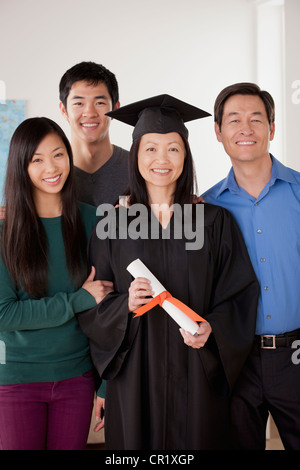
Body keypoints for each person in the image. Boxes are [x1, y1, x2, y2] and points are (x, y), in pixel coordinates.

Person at [77, 94, 259, 450]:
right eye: (150, 149)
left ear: (186, 156)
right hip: (134, 378)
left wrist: (213, 329)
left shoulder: (213, 221)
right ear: (135, 156)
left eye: (173, 149)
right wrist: (123, 305)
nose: (162, 159)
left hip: (196, 375)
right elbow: (94, 303)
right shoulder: (111, 224)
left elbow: (238, 294)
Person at [202, 82, 300, 450]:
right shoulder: (207, 211)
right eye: (234, 120)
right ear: (218, 131)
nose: (246, 129)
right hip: (237, 360)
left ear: (272, 129)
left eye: (256, 119)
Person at [0, 117, 107, 450]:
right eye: (37, 159)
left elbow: (110, 308)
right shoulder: (5, 233)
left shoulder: (93, 221)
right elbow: (5, 315)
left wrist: (105, 385)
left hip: (76, 377)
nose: (52, 167)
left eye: (58, 154)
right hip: (16, 379)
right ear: (22, 166)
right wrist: (77, 300)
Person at [59, 61, 129, 207]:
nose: (90, 113)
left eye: (99, 103)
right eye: (79, 103)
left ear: (115, 109)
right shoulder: (50, 172)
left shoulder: (139, 167)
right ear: (64, 110)